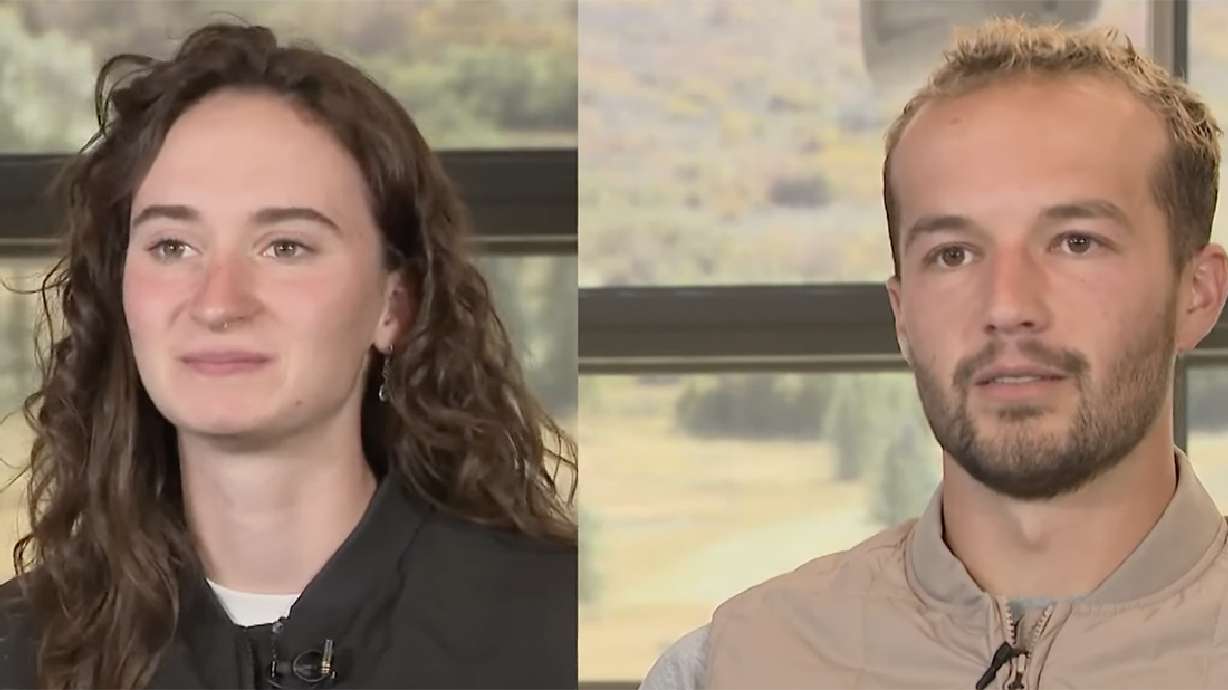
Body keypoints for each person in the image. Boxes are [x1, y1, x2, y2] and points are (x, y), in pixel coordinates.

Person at [642, 17, 1228, 690]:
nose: (1007, 305)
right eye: (953, 254)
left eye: (1075, 242)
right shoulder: (730, 667)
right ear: (903, 314)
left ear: (1197, 293)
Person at [0, 22, 577, 690]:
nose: (218, 303)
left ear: (394, 305)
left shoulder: (548, 631)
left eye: (286, 247)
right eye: (171, 246)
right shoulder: (19, 653)